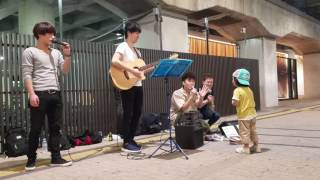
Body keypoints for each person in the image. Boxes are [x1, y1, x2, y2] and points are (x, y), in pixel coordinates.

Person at [22, 22, 72, 170]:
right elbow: (26, 74)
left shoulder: (56, 52)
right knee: (36, 128)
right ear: (39, 35)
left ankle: (56, 158)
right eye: (49, 33)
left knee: (55, 128)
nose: (52, 36)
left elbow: (65, 70)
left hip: (55, 93)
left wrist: (67, 54)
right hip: (39, 94)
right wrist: (31, 94)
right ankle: (31, 159)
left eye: (53, 33)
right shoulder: (30, 51)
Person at [111, 21, 154, 153]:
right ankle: (126, 142)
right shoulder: (122, 47)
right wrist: (132, 70)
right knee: (128, 113)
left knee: (137, 113)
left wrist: (152, 68)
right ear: (129, 33)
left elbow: (140, 71)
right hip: (127, 85)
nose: (138, 36)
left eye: (138, 34)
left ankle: (131, 138)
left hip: (138, 85)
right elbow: (114, 61)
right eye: (136, 33)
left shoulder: (137, 51)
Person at [231, 68, 261, 154]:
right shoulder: (249, 90)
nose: (232, 80)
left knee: (244, 132)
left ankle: (246, 148)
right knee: (253, 131)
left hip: (244, 116)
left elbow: (235, 102)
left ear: (237, 80)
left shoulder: (237, 90)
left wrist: (233, 102)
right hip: (253, 114)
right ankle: (256, 146)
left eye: (233, 78)